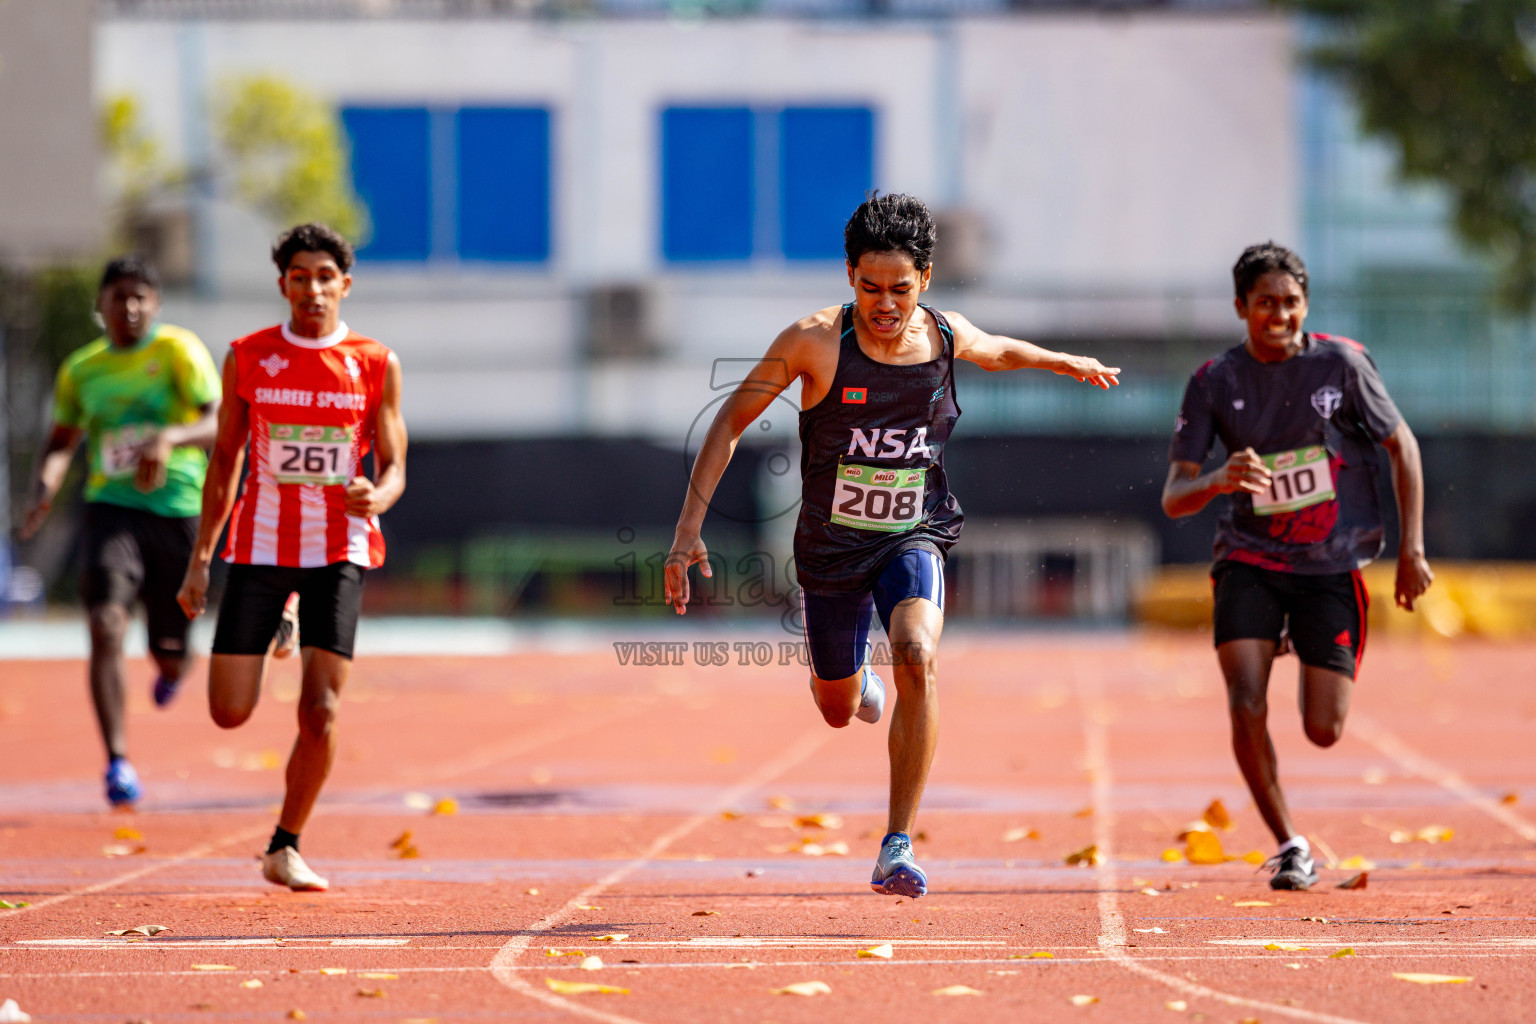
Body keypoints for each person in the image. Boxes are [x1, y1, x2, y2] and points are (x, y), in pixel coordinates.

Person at [664, 194, 1119, 898]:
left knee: (919, 654)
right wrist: (686, 532)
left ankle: (895, 843)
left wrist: (1064, 361)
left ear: (926, 281)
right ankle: (855, 682)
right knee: (837, 707)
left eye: (900, 289)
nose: (884, 305)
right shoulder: (813, 341)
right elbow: (728, 423)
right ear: (849, 275)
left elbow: (999, 350)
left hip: (916, 531)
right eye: (870, 288)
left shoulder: (943, 335)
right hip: (831, 551)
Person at [1161, 242, 1432, 890]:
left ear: (1304, 305)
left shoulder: (1342, 364)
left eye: (1289, 303)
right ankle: (1290, 843)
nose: (1278, 315)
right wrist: (1221, 479)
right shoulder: (1214, 381)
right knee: (1245, 698)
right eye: (1264, 304)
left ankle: (1293, 631)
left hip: (1331, 560)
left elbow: (1404, 447)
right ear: (1241, 308)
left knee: (1324, 730)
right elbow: (1174, 499)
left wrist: (1412, 549)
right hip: (1250, 557)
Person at [177, 223, 407, 892]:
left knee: (321, 711)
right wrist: (201, 558)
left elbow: (394, 465)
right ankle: (285, 618)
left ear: (345, 285)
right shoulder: (248, 356)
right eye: (300, 277)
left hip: (338, 546)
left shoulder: (374, 362)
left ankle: (286, 843)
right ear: (283, 285)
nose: (313, 289)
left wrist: (379, 495)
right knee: (229, 711)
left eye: (325, 277)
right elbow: (225, 459)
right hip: (260, 546)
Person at [19, 256, 221, 807]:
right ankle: (117, 760)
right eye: (119, 298)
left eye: (140, 298)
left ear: (154, 305)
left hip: (178, 510)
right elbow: (62, 439)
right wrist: (46, 486)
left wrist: (169, 439)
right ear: (101, 307)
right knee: (106, 625)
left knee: (171, 649)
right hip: (111, 507)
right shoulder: (82, 370)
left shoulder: (179, 351)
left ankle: (173, 666)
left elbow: (219, 421)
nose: (130, 308)